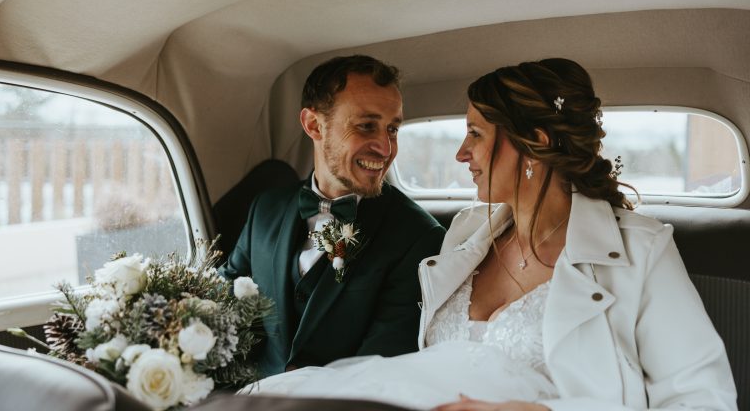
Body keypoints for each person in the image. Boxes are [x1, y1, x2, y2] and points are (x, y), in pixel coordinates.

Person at [244, 58, 737, 411]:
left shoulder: (640, 252)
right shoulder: (463, 236)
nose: (462, 153)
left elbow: (702, 400)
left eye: (476, 134)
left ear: (534, 144)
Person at [219, 54, 445, 377]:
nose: (385, 147)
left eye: (392, 129)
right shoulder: (264, 210)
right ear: (314, 125)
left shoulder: (419, 238)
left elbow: (377, 374)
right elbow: (221, 302)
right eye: (367, 126)